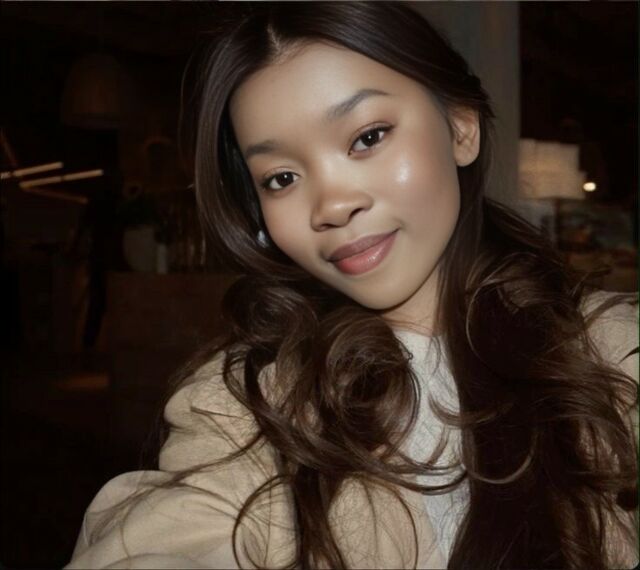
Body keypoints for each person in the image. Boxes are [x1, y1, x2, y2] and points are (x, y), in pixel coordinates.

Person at [65, 3, 639, 568]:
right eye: (281, 177)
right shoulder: (250, 399)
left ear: (461, 127)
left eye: (367, 137)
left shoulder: (612, 352)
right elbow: (183, 526)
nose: (333, 205)